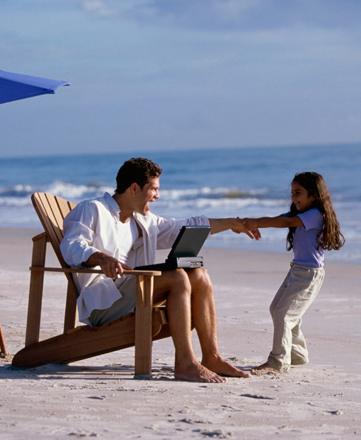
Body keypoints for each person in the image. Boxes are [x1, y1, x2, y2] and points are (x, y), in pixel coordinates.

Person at [60, 158, 252, 383]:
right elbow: (72, 246)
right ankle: (185, 363)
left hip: (130, 290)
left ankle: (212, 356)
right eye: (154, 189)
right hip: (101, 300)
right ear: (134, 188)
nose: (157, 196)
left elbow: (181, 227)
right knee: (177, 277)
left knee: (200, 275)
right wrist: (102, 258)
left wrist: (232, 223)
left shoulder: (140, 220)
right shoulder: (92, 209)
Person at [240, 172, 345, 373]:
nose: (293, 197)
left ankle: (277, 361)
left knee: (284, 314)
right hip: (297, 270)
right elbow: (277, 219)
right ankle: (297, 354)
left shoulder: (314, 215)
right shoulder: (300, 214)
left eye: (298, 192)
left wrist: (255, 223)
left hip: (309, 274)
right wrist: (248, 222)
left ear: (314, 195)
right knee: (277, 310)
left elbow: (286, 223)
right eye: (292, 192)